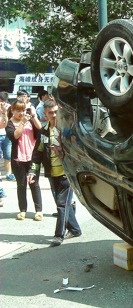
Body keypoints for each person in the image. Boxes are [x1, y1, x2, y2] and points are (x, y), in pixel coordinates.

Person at [28, 100, 82, 246]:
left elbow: (76, 150)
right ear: (44, 114)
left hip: (66, 172)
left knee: (61, 204)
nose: (53, 115)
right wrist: (33, 171)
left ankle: (59, 235)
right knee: (62, 203)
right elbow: (37, 153)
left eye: (56, 112)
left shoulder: (67, 130)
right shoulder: (44, 131)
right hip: (52, 173)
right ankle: (75, 229)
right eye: (50, 112)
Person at [5, 100, 43, 220]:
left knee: (34, 184)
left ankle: (39, 210)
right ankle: (22, 210)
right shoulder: (10, 123)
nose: (21, 113)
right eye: (18, 110)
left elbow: (40, 128)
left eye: (23, 110)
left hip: (33, 158)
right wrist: (22, 122)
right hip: (18, 159)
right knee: (21, 185)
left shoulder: (30, 121)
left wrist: (33, 115)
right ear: (12, 110)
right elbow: (15, 136)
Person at [0, 91, 14, 181]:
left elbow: (11, 120)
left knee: (8, 155)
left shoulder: (9, 108)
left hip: (7, 135)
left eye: (4, 100)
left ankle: (9, 173)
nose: (2, 102)